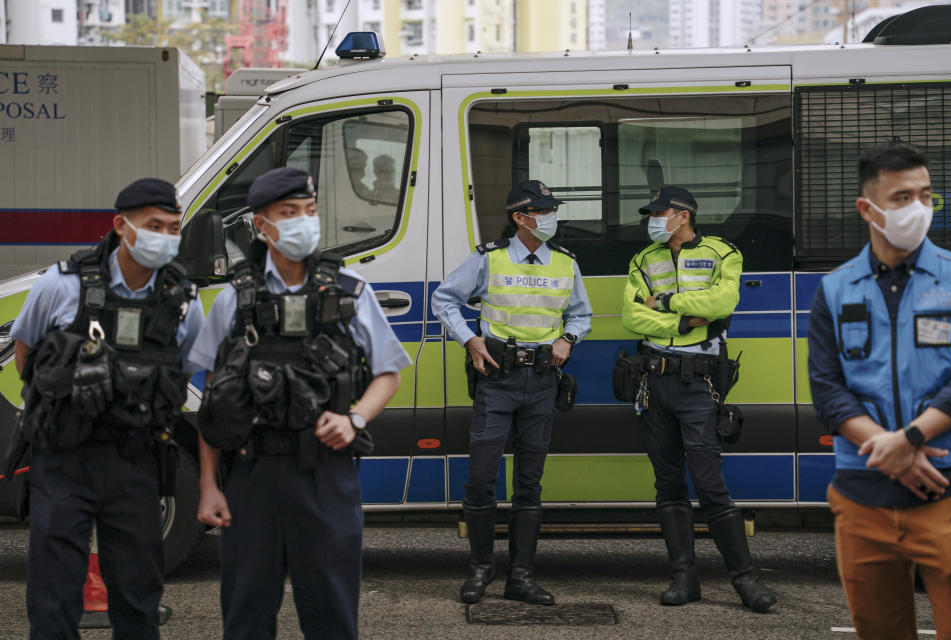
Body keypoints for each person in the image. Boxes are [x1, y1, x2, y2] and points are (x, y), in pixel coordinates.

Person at [190, 167, 411, 640]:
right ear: (261, 225)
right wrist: (209, 485)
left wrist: (354, 419)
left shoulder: (348, 290)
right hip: (251, 477)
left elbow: (388, 373)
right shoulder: (235, 299)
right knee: (247, 617)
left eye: (309, 212)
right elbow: (214, 400)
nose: (302, 223)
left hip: (325, 476)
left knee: (331, 614)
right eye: (288, 214)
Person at [6, 178, 204, 639]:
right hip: (63, 458)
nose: (166, 236)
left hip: (135, 461)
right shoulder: (60, 284)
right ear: (121, 225)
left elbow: (186, 372)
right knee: (53, 599)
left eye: (174, 227)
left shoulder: (183, 302)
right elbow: (26, 356)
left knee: (137, 599)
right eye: (154, 225)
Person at [808, 143, 951, 638]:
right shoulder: (835, 288)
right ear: (867, 209)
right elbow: (827, 388)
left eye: (926, 195)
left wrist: (910, 439)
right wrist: (888, 447)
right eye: (902, 197)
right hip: (862, 499)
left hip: (947, 491)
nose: (919, 208)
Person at [432, 179, 592, 606]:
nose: (550, 218)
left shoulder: (565, 263)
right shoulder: (490, 259)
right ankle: (481, 571)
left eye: (551, 210)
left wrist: (568, 340)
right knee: (481, 479)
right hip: (498, 379)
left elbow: (581, 315)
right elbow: (444, 299)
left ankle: (520, 577)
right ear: (521, 218)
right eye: (543, 211)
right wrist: (470, 339)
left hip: (542, 382)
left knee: (529, 484)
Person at [620, 186, 776, 613]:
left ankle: (746, 581)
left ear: (683, 215)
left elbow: (723, 302)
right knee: (668, 484)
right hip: (654, 381)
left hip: (698, 385)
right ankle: (684, 579)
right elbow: (632, 316)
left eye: (660, 212)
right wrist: (690, 318)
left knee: (710, 485)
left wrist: (666, 303)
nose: (652, 219)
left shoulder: (723, 253)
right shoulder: (642, 260)